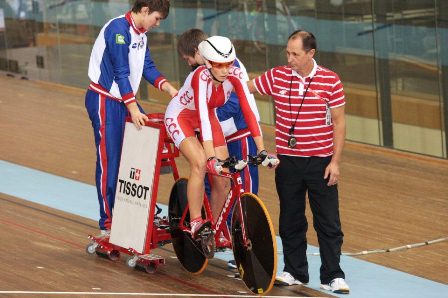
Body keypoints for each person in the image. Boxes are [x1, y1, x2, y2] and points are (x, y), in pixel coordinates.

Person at [247, 30, 350, 294]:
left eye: (295, 54)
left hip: (321, 162)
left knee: (328, 222)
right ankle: (295, 271)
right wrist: (221, 70)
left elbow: (339, 123)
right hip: (288, 162)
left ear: (310, 54)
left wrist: (335, 162)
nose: (289, 58)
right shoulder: (278, 75)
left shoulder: (330, 81)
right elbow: (245, 87)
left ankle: (332, 275)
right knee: (291, 220)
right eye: (287, 52)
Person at [164, 35, 278, 241]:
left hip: (207, 115)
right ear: (207, 63)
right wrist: (210, 158)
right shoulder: (200, 76)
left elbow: (249, 111)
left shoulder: (234, 74)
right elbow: (201, 117)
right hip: (182, 116)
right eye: (219, 65)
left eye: (229, 63)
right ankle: (197, 221)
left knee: (224, 180)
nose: (225, 69)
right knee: (200, 164)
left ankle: (212, 229)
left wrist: (261, 150)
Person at [85, 0, 177, 235]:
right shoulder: (118, 30)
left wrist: (168, 88)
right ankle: (107, 221)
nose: (157, 24)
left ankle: (136, 205)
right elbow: (121, 72)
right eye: (156, 18)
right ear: (145, 10)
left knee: (146, 147)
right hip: (104, 101)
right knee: (110, 160)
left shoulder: (141, 34)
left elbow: (147, 66)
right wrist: (134, 108)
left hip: (123, 100)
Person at [176, 29, 261, 269]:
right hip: (211, 130)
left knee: (238, 186)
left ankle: (235, 239)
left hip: (236, 130)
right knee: (207, 173)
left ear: (198, 52)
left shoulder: (228, 67)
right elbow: (202, 113)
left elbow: (234, 105)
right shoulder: (199, 74)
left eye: (188, 58)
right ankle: (206, 227)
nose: (188, 63)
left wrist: (263, 148)